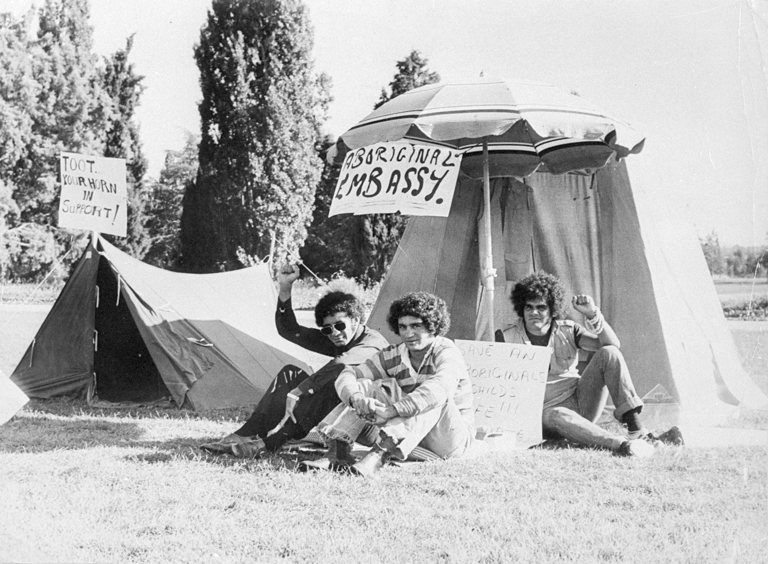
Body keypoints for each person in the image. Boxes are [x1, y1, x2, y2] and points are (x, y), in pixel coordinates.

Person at [200, 263, 389, 458]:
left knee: (334, 381)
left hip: (371, 423)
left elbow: (340, 364)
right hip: (341, 414)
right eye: (327, 329)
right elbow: (290, 331)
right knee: (290, 373)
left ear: (356, 320)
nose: (334, 333)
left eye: (340, 325)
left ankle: (270, 443)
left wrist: (299, 391)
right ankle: (247, 434)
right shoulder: (339, 336)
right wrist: (285, 288)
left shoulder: (373, 343)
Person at [496, 272, 683, 457]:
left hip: (579, 401)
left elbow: (612, 344)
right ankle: (623, 445)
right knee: (556, 415)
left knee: (609, 353)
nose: (534, 313)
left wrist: (593, 314)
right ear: (521, 308)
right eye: (528, 307)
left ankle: (635, 429)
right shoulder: (506, 337)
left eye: (541, 307)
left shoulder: (568, 330)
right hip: (543, 414)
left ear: (552, 310)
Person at [305, 291, 477, 477]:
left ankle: (378, 457)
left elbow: (439, 389)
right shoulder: (395, 354)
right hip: (412, 433)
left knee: (434, 396)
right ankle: (337, 453)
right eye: (402, 327)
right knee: (364, 386)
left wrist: (392, 410)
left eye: (416, 326)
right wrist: (357, 399)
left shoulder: (446, 351)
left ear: (433, 326)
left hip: (450, 439)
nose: (408, 333)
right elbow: (349, 374)